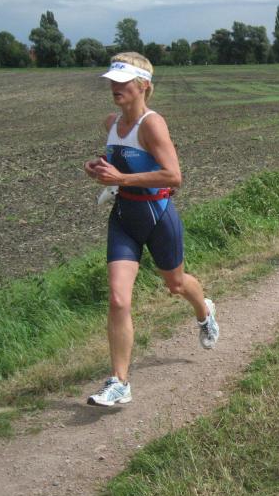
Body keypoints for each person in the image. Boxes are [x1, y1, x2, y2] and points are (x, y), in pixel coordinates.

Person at [83, 52, 220, 406]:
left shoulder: (152, 124)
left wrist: (121, 176)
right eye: (112, 81)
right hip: (124, 217)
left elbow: (174, 176)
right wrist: (100, 167)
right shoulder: (111, 122)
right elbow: (120, 163)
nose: (114, 87)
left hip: (157, 215)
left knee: (176, 284)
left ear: (143, 85)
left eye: (122, 81)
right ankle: (119, 381)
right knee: (118, 299)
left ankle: (204, 311)